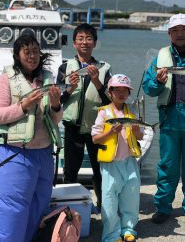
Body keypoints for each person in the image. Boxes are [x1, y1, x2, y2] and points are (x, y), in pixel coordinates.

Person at [0, 35, 63, 242]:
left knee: (38, 205)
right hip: (16, 153)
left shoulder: (47, 78)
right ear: (17, 55)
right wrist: (24, 106)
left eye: (35, 51)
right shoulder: (7, 78)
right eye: (27, 52)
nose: (32, 56)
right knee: (13, 211)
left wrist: (57, 105)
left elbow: (55, 119)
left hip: (43, 154)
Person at [56, 23, 111, 208]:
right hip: (72, 128)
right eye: (80, 38)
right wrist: (69, 89)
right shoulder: (65, 68)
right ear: (74, 43)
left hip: (97, 128)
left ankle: (103, 206)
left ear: (95, 43)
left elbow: (110, 102)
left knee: (100, 170)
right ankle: (68, 209)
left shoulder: (103, 68)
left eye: (89, 38)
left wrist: (97, 82)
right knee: (70, 171)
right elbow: (58, 100)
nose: (84, 42)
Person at [142, 13, 185, 224]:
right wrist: (158, 82)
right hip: (170, 118)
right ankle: (163, 207)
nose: (180, 34)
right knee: (168, 165)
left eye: (184, 30)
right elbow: (148, 88)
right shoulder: (161, 57)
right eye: (176, 30)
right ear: (169, 34)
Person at [92, 74, 143, 242]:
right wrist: (110, 132)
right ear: (110, 92)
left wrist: (136, 131)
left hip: (129, 162)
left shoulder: (132, 112)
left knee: (131, 197)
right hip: (110, 164)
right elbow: (95, 138)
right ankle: (112, 235)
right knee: (109, 200)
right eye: (117, 90)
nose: (121, 93)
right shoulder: (104, 113)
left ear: (129, 93)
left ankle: (128, 230)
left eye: (125, 90)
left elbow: (140, 136)